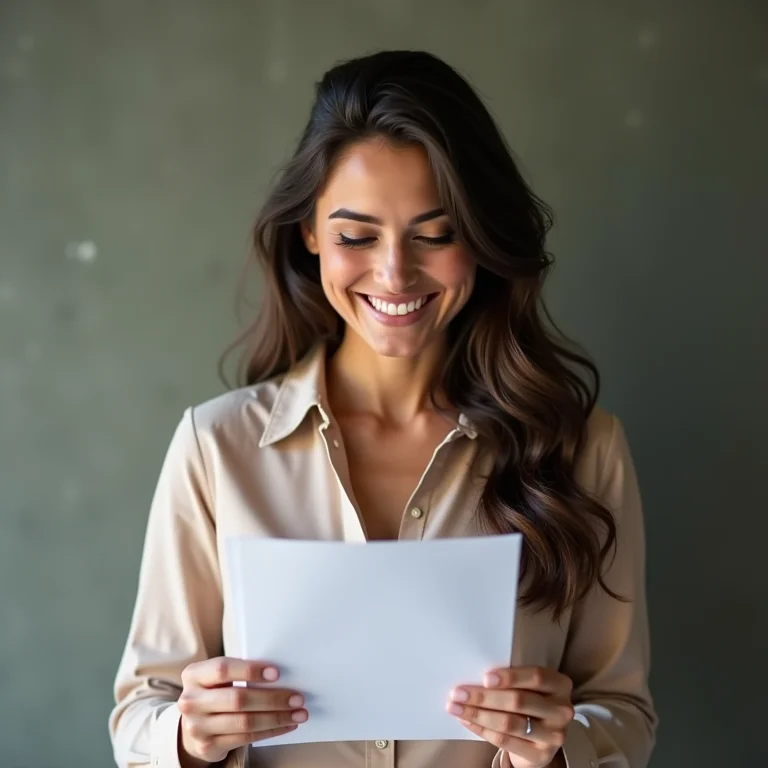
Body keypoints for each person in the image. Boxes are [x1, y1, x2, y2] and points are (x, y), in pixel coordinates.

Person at [109, 50, 657, 768]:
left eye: (435, 234)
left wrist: (556, 748)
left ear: (483, 240)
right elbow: (140, 712)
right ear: (310, 234)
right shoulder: (216, 448)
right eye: (355, 236)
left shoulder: (584, 451)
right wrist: (187, 735)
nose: (395, 274)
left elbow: (623, 714)